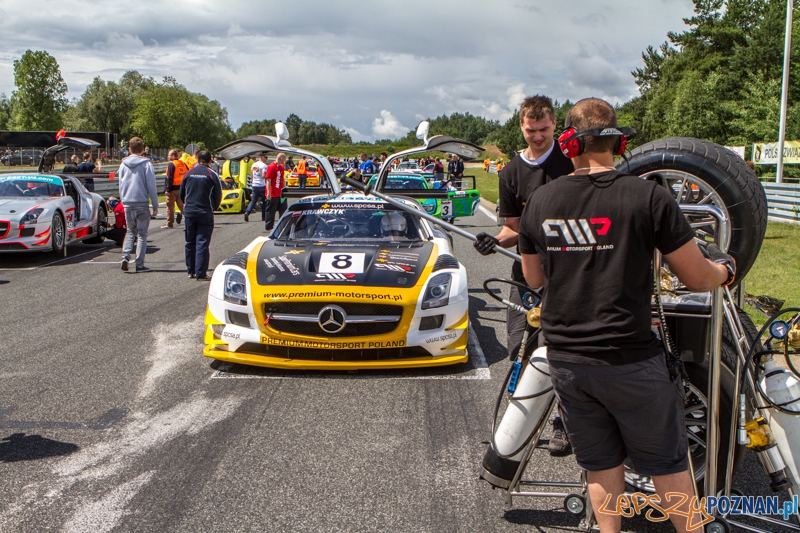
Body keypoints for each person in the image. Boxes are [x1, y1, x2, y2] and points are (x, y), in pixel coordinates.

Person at [516, 98, 735, 533]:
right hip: (629, 360)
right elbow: (696, 278)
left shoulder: (540, 200)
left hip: (568, 362)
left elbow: (534, 277)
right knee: (667, 464)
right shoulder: (648, 197)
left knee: (599, 464)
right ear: (618, 143)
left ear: (569, 144)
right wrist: (726, 270)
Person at [473, 94, 574, 456]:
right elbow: (513, 229)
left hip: (570, 270)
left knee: (564, 349)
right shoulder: (511, 172)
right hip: (527, 272)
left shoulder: (570, 162)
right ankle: (520, 424)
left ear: (554, 124)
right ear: (521, 127)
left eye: (544, 129)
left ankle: (564, 421)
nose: (538, 136)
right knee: (520, 346)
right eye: (531, 130)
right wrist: (494, 240)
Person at [118, 137, 158, 273]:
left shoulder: (123, 164)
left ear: (129, 149)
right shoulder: (146, 164)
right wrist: (155, 205)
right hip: (141, 202)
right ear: (142, 150)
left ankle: (125, 256)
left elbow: (120, 184)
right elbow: (151, 185)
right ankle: (139, 264)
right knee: (142, 235)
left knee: (130, 231)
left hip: (127, 202)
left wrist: (123, 201)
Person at [179, 150, 222, 280]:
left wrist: (188, 205)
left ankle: (190, 271)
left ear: (197, 160)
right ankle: (201, 273)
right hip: (205, 212)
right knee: (202, 242)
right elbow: (218, 195)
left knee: (190, 242)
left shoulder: (188, 173)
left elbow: (182, 193)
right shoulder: (212, 174)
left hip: (190, 212)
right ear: (210, 160)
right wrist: (214, 207)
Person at [163, 149, 189, 228]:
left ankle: (169, 223)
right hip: (181, 189)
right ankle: (190, 219)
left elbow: (169, 178)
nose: (168, 156)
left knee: (170, 206)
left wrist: (167, 189)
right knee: (182, 206)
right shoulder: (183, 164)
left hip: (172, 189)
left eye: (169, 155)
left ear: (173, 156)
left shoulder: (172, 165)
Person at [264, 152, 287, 231]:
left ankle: (283, 225)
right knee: (271, 210)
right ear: (281, 158)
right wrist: (268, 193)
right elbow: (268, 180)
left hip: (280, 193)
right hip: (273, 193)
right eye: (284, 159)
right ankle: (269, 226)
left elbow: (282, 179)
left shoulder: (281, 167)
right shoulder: (271, 167)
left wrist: (284, 189)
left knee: (283, 209)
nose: (284, 161)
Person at [244, 153, 268, 223]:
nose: (266, 159)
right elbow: (263, 175)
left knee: (253, 201)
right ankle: (263, 217)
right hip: (262, 185)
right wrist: (267, 177)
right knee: (264, 201)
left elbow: (251, 174)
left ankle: (247, 212)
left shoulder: (254, 165)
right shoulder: (264, 166)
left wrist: (252, 182)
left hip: (254, 185)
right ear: (262, 157)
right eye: (266, 157)